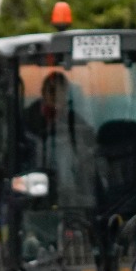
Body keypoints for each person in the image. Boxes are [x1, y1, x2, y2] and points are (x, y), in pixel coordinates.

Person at [19, 71, 96, 205]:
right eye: (52, 92)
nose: (56, 98)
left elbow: (89, 140)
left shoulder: (74, 121)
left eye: (61, 93)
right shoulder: (26, 119)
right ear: (44, 93)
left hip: (68, 187)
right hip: (33, 181)